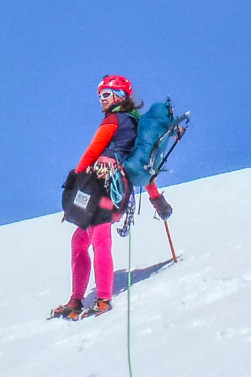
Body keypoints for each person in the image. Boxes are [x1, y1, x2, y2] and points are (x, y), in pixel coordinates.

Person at [51, 75, 171, 320]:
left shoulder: (114, 119)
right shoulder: (137, 125)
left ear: (119, 96)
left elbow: (93, 150)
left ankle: (101, 298)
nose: (102, 100)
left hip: (101, 184)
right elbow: (142, 167)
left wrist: (74, 182)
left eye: (106, 95)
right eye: (100, 96)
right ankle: (78, 299)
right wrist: (155, 198)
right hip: (118, 190)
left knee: (96, 237)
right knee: (82, 240)